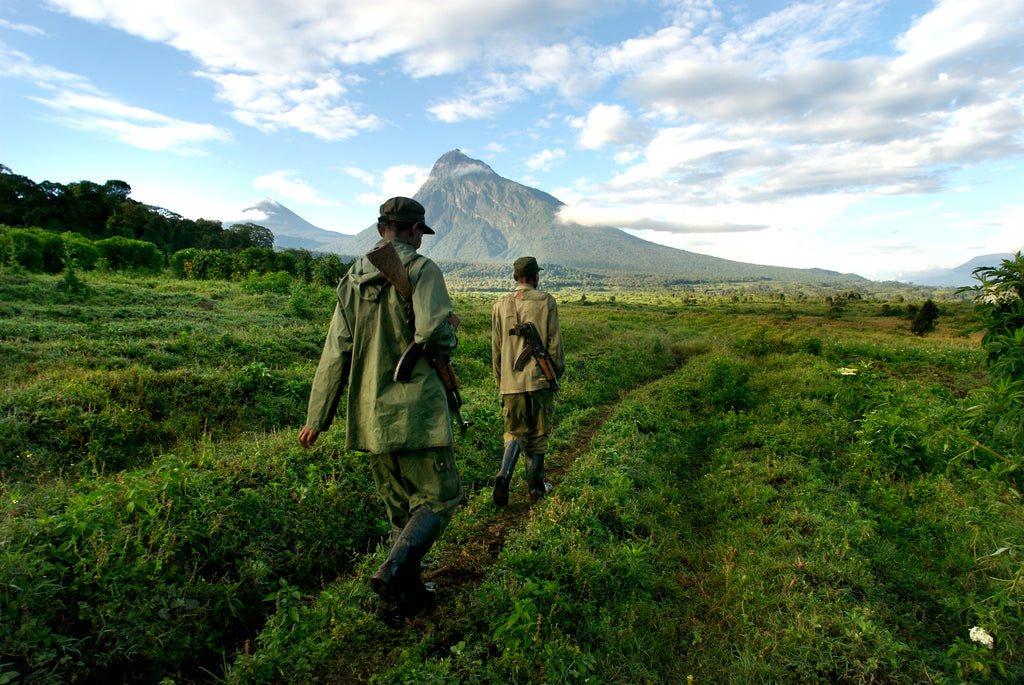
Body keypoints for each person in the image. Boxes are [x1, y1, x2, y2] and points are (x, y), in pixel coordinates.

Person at [298, 196, 463, 617]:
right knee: (440, 497)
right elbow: (432, 333)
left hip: (372, 418)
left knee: (401, 510)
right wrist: (450, 333)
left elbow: (335, 352)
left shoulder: (351, 279)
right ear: (413, 231)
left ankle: (406, 597)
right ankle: (393, 570)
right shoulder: (422, 269)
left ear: (379, 229)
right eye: (418, 234)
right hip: (418, 414)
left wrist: (318, 418)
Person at [490, 256, 565, 505]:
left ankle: (504, 473)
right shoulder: (546, 302)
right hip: (540, 380)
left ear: (514, 278)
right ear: (535, 277)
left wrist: (503, 381)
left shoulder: (499, 305)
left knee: (514, 432)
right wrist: (554, 374)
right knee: (538, 434)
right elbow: (555, 346)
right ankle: (535, 490)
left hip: (511, 383)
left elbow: (497, 350)